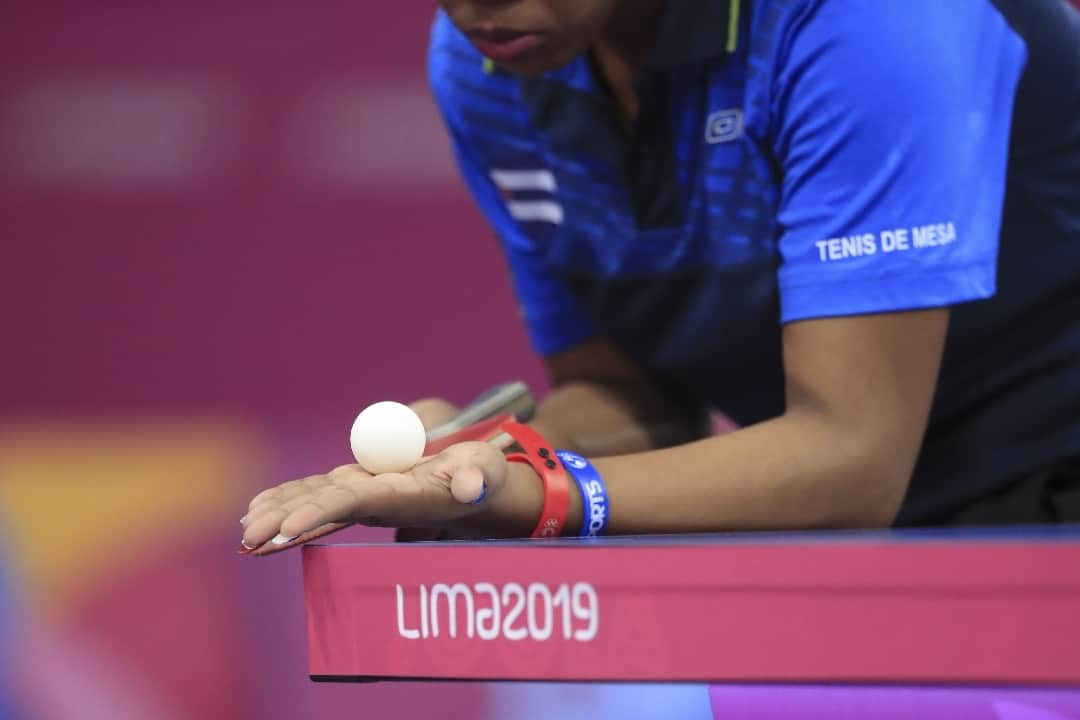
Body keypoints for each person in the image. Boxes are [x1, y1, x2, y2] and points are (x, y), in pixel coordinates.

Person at [240, 0, 1080, 550]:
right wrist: (481, 458)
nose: (476, 4)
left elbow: (852, 455)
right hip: (859, 553)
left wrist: (543, 496)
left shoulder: (867, 18)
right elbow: (635, 398)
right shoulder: (489, 70)